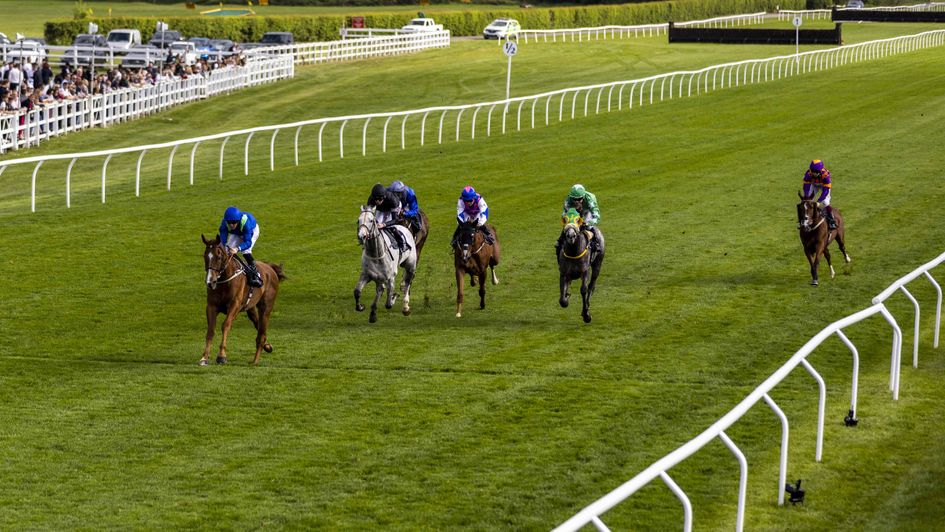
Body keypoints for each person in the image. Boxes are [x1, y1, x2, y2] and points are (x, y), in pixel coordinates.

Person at [218, 206, 263, 287]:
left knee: (245, 251)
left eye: (234, 222)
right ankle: (224, 273)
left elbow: (248, 242)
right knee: (227, 251)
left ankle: (256, 274)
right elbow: (223, 239)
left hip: (252, 231)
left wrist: (237, 248)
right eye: (229, 222)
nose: (231, 225)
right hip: (237, 233)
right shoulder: (224, 223)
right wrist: (224, 247)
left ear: (238, 221)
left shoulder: (246, 224)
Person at [557, 184, 602, 259]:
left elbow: (597, 216)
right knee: (568, 227)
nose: (576, 201)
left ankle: (596, 244)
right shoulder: (568, 200)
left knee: (589, 227)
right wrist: (568, 223)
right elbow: (564, 215)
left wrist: (588, 223)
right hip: (574, 212)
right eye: (574, 199)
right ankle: (559, 243)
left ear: (583, 197)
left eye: (579, 199)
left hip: (587, 211)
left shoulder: (590, 199)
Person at [368, 183, 409, 252]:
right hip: (381, 209)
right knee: (375, 225)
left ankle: (402, 243)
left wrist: (384, 224)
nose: (377, 201)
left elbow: (395, 220)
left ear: (383, 197)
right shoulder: (371, 199)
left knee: (390, 226)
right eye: (375, 200)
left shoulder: (392, 200)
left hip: (393, 207)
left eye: (379, 200)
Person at [803, 159, 836, 230]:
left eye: (815, 172)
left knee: (825, 202)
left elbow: (825, 191)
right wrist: (806, 196)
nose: (813, 173)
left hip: (824, 186)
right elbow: (806, 187)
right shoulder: (808, 174)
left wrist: (819, 201)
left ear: (819, 171)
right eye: (812, 171)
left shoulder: (826, 176)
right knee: (807, 201)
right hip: (814, 185)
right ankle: (805, 219)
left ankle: (832, 220)